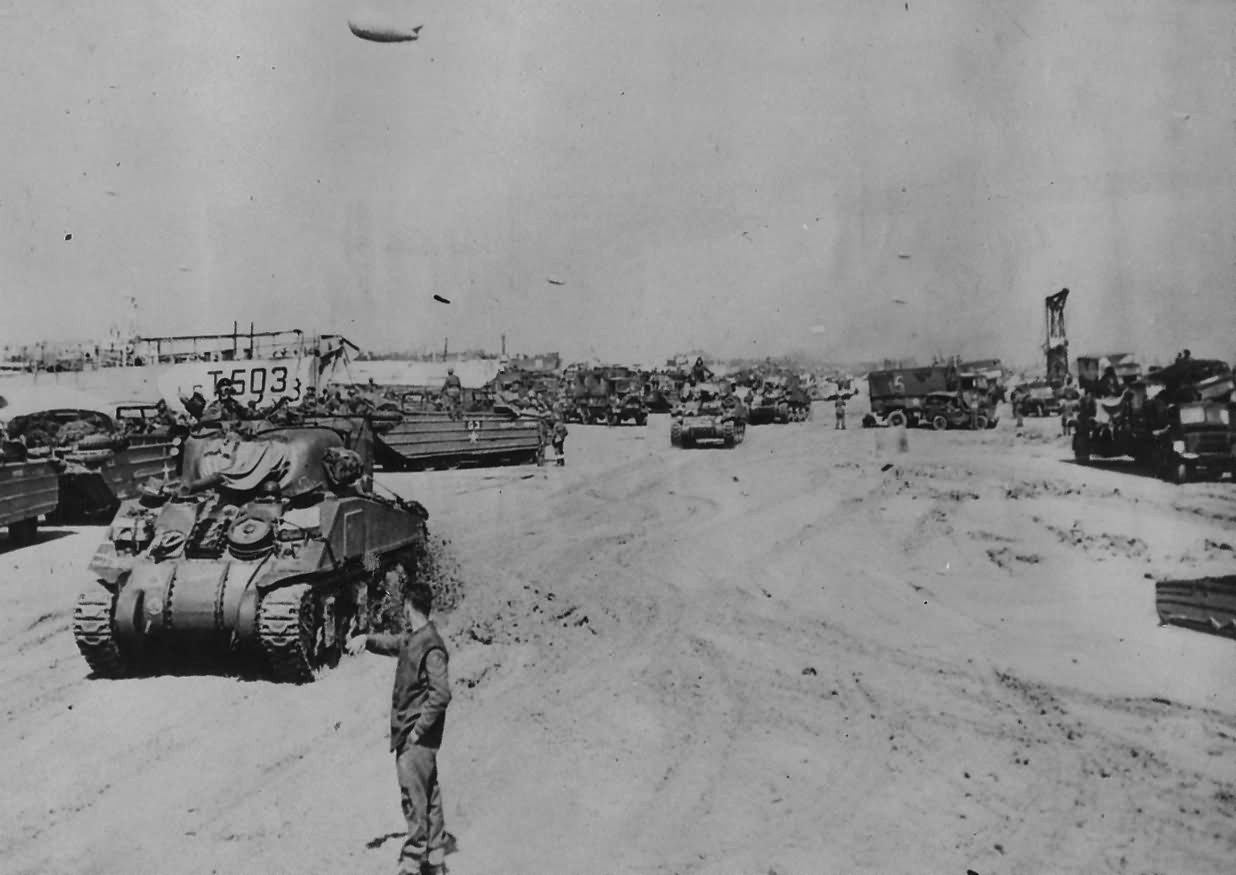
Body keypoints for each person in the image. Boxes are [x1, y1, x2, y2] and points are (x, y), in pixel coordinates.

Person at [347, 583, 452, 875]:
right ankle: (435, 859)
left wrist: (417, 731)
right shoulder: (416, 638)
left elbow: (441, 694)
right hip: (417, 736)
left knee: (413, 797)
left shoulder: (431, 646)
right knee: (429, 794)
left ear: (408, 607)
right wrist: (366, 639)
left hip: (415, 736)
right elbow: (393, 643)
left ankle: (412, 860)